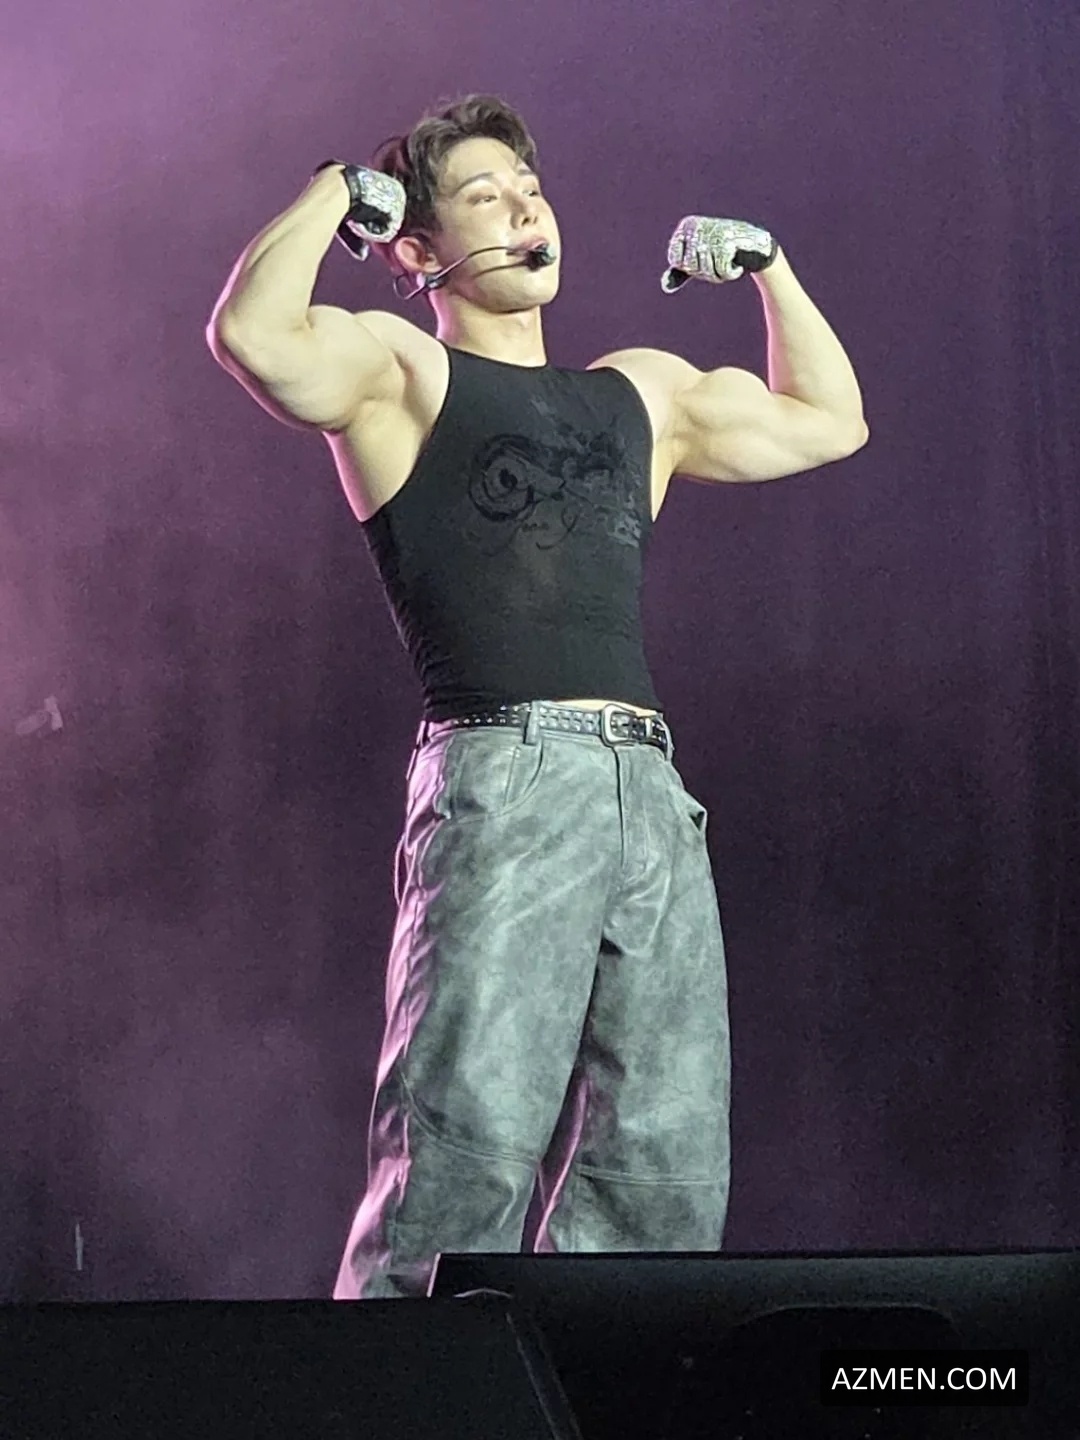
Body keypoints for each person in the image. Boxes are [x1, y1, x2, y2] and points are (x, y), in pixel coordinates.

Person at [206, 94, 868, 1300]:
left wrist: (771, 268)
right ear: (419, 246)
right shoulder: (405, 371)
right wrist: (335, 191)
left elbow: (830, 422)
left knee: (663, 1168)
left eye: (529, 189)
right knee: (460, 1152)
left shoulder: (640, 392)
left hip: (651, 797)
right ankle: (393, 1388)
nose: (522, 210)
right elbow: (255, 335)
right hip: (505, 778)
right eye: (484, 196)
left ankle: (604, 1387)